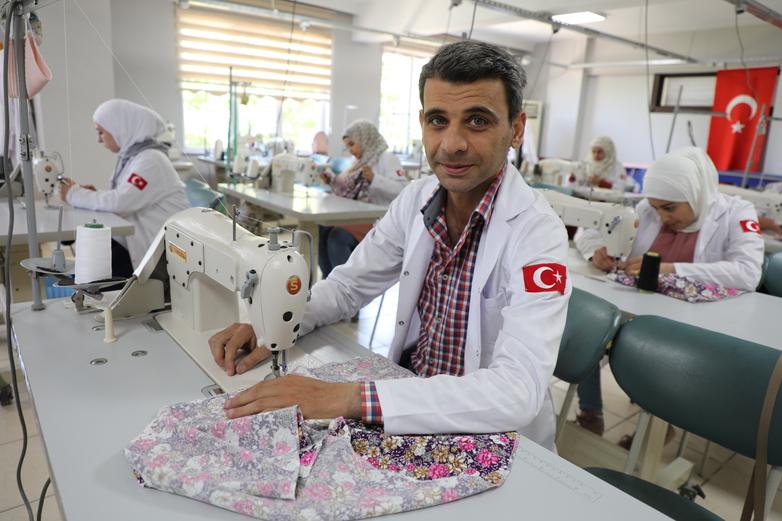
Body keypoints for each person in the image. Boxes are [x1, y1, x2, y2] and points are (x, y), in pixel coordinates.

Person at [207, 40, 571, 450]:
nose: (451, 143)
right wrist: (274, 324)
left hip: (490, 433)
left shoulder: (537, 233)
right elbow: (346, 287)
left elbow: (517, 391)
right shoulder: (417, 200)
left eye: (477, 121)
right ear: (422, 122)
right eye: (438, 120)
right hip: (409, 405)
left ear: (517, 129)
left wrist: (349, 398)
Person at [573, 147, 764, 438]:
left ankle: (656, 431)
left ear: (695, 194)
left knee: (655, 360)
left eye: (670, 208)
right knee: (586, 331)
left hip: (691, 325)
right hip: (637, 310)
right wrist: (595, 252)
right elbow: (589, 231)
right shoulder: (649, 207)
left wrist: (668, 269)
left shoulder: (737, 213)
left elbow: (747, 272)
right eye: (657, 208)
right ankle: (590, 413)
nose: (661, 217)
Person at [60, 99, 189, 275]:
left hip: (159, 256)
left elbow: (120, 203)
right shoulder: (133, 158)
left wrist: (74, 194)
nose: (98, 140)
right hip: (138, 243)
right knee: (91, 262)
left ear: (119, 128)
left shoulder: (151, 161)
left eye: (101, 132)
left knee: (93, 273)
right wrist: (95, 194)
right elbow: (125, 196)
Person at [318, 120, 408, 278]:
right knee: (323, 227)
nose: (350, 150)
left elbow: (402, 190)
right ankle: (328, 280)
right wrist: (332, 181)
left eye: (352, 144)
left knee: (337, 236)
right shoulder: (358, 163)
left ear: (365, 139)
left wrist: (375, 179)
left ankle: (345, 286)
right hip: (359, 217)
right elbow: (348, 189)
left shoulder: (387, 158)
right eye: (348, 147)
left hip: (379, 221)